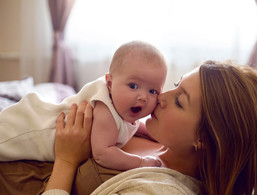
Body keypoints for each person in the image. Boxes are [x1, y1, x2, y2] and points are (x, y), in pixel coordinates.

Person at [0, 60, 257, 195]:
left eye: (180, 101)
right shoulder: (159, 141)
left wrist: (67, 160)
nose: (161, 96)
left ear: (204, 138)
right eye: (176, 84)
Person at [0, 41, 167, 170]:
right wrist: (140, 162)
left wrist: (152, 133)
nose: (143, 97)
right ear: (109, 83)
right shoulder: (105, 110)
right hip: (31, 130)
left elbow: (134, 125)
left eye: (153, 91)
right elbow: (103, 154)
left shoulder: (123, 105)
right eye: (133, 86)